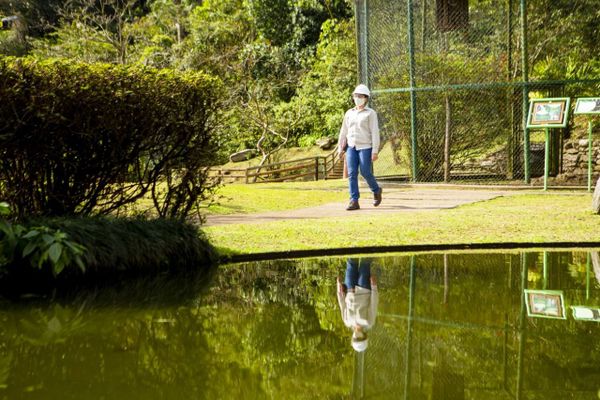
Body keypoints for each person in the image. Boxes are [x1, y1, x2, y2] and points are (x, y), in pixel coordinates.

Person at [338, 84, 383, 211]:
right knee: (352, 174)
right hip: (351, 146)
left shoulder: (370, 113)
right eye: (356, 96)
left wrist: (375, 150)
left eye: (360, 96)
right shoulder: (349, 113)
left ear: (366, 98)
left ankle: (376, 190)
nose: (357, 98)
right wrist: (340, 149)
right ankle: (354, 200)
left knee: (365, 172)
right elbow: (343, 131)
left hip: (365, 147)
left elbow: (375, 132)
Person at [336, 258, 378, 352]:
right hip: (364, 288)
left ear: (352, 339)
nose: (357, 337)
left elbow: (342, 303)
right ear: (365, 337)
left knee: (351, 262)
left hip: (349, 288)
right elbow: (373, 303)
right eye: (360, 339)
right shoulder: (369, 322)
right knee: (365, 263)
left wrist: (338, 287)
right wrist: (374, 287)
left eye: (356, 339)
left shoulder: (347, 322)